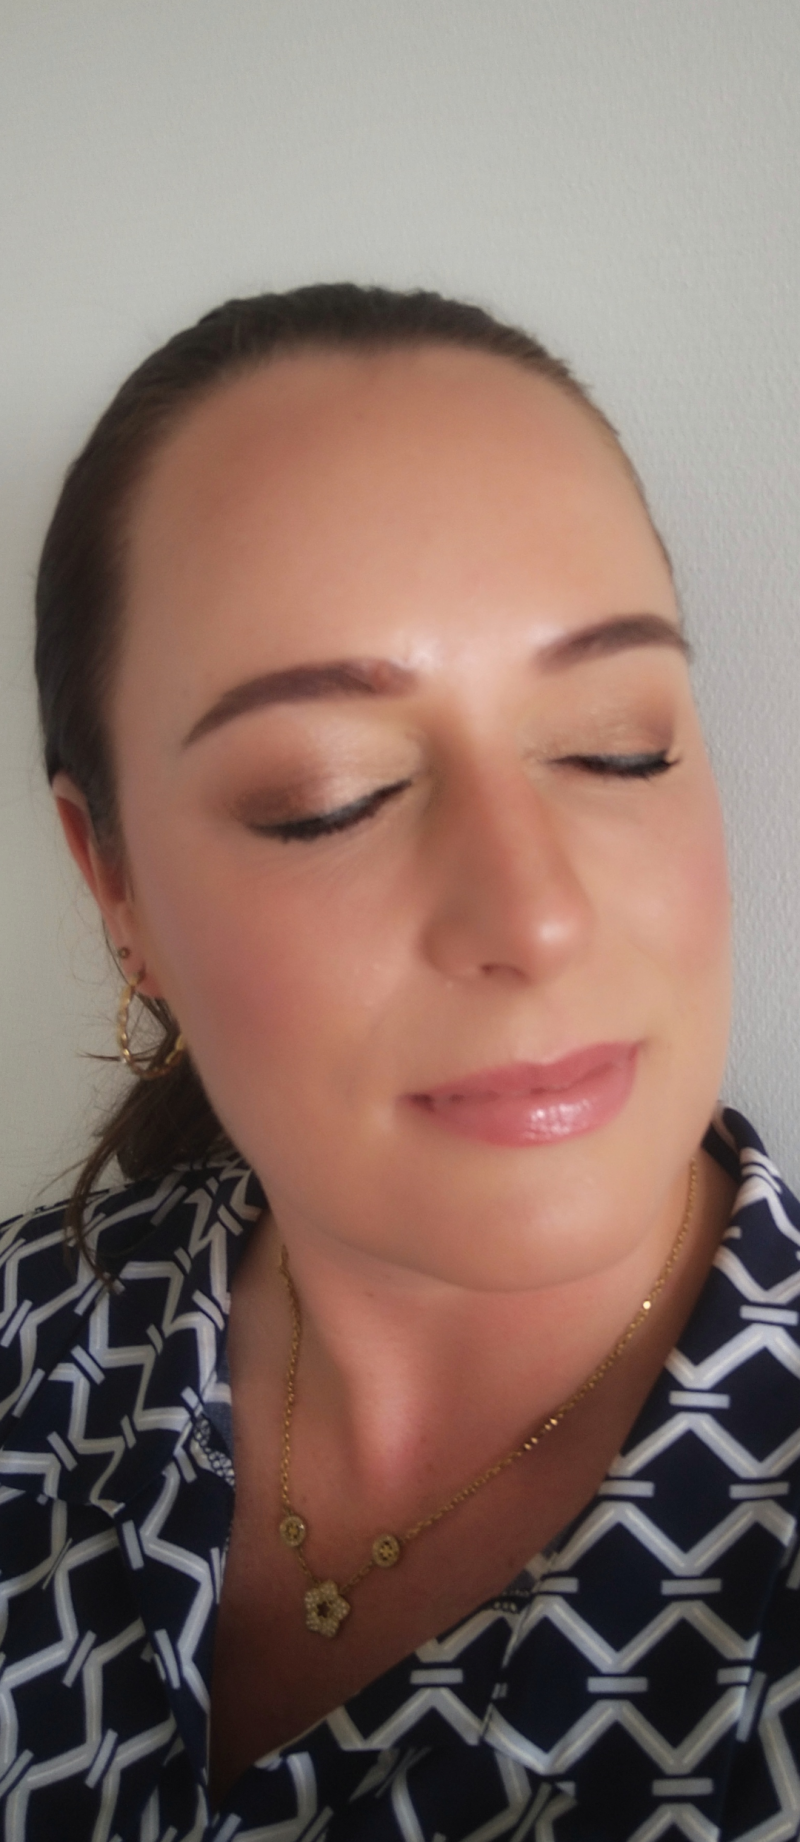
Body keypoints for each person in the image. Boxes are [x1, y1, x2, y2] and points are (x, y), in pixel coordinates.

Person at [1, 282, 797, 1842]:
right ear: (116, 885)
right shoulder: (36, 1335)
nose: (536, 914)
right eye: (329, 797)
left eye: (619, 743)